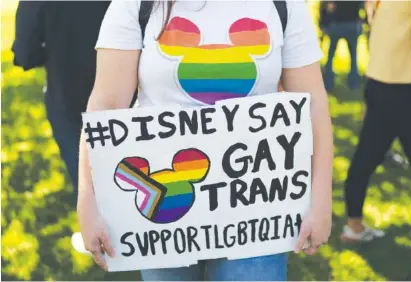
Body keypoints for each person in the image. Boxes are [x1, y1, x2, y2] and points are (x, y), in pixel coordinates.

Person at [77, 0, 333, 280]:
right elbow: (106, 106)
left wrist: (321, 199)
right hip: (164, 209)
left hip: (257, 211)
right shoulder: (137, 5)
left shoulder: (283, 5)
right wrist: (87, 198)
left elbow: (313, 105)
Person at [12, 1, 111, 253]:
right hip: (129, 93)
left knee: (85, 173)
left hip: (68, 97)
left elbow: (26, 52)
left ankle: (99, 238)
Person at [342, 0, 411, 262]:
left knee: (364, 159)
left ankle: (353, 227)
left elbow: (376, 43)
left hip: (377, 86)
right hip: (409, 90)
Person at [322, 1, 364, 92]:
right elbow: (362, 5)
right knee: (353, 56)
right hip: (352, 24)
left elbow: (329, 7)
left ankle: (328, 83)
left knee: (331, 55)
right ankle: (353, 83)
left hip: (337, 23)